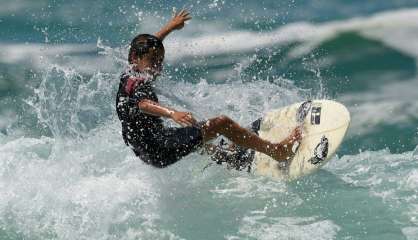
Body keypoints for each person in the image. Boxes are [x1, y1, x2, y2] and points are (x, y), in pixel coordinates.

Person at [116, 10, 302, 168]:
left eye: (160, 61)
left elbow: (151, 44)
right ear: (135, 58)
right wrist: (172, 113)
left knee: (196, 131)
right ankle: (277, 151)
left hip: (147, 147)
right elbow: (143, 103)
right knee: (221, 123)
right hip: (159, 149)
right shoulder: (137, 83)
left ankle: (226, 157)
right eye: (153, 62)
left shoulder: (132, 68)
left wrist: (170, 27)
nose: (158, 67)